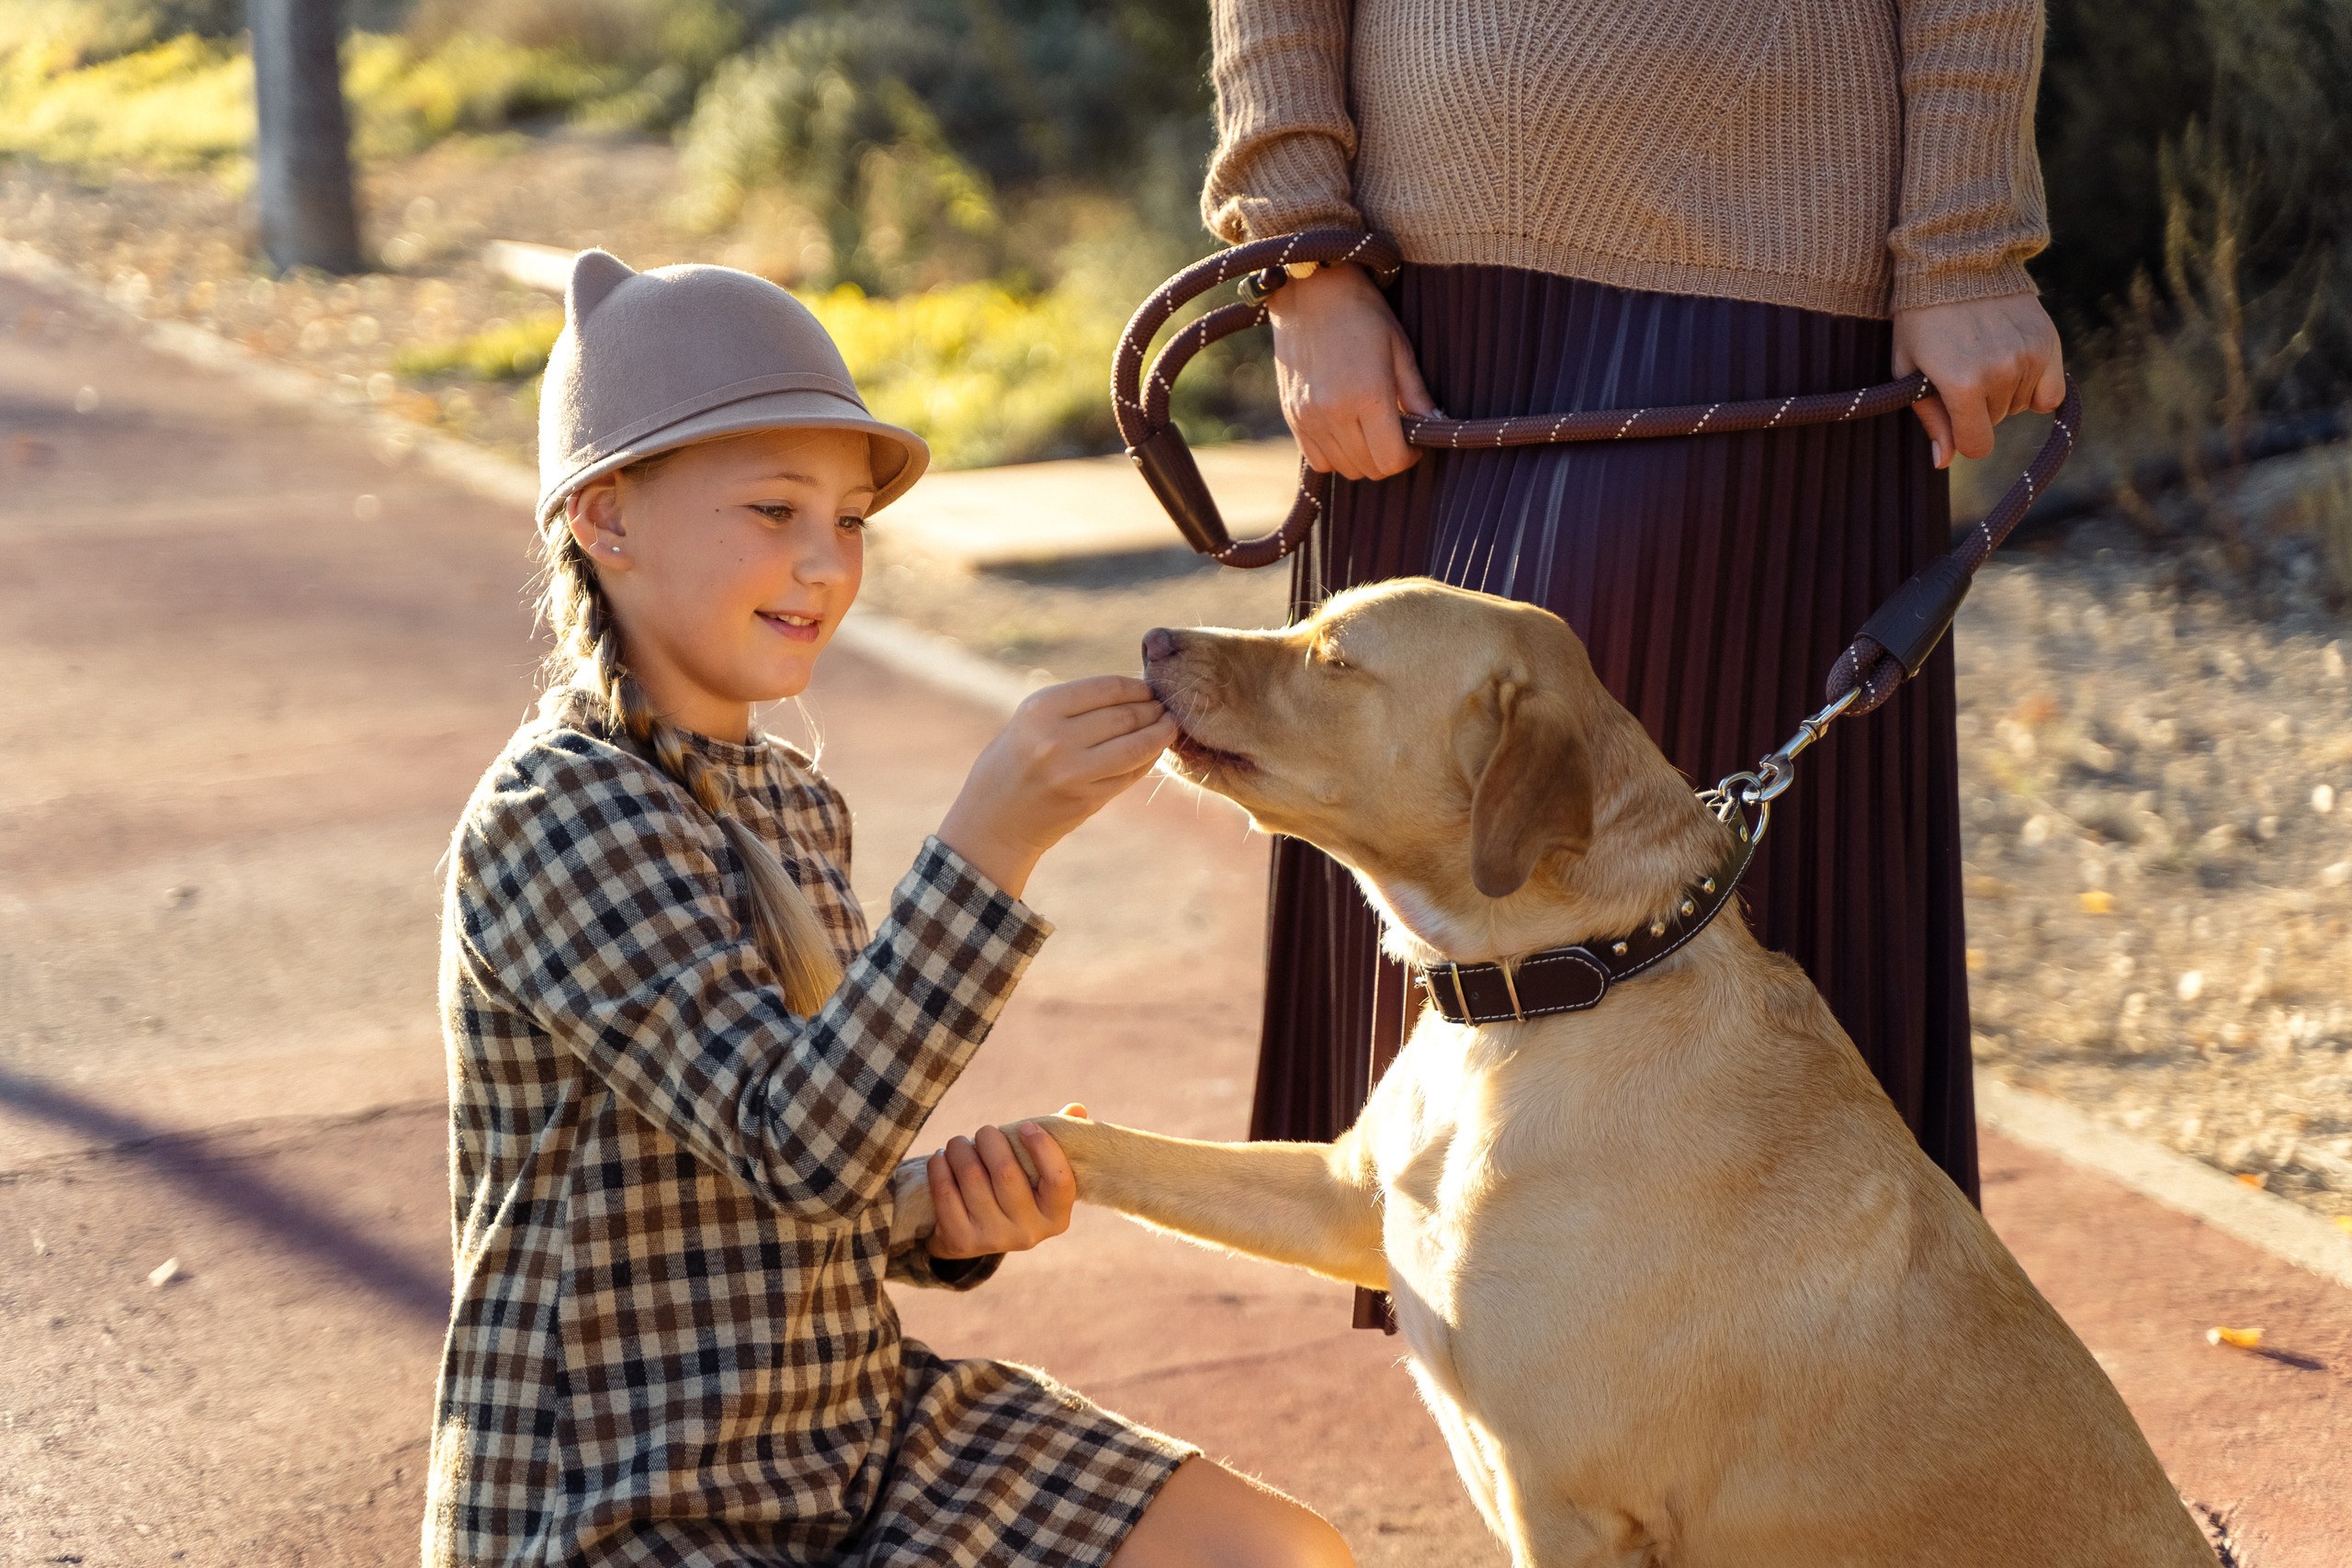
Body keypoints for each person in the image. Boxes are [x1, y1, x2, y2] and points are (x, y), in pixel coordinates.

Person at [426, 250, 1353, 1568]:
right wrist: (995, 837)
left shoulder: (790, 804)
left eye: (848, 522)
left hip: (853, 1437)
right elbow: (794, 1143)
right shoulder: (558, 813)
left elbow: (815, 1179)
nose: (824, 566)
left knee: (1276, 1555)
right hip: (629, 1494)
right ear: (604, 518)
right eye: (771, 511)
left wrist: (942, 1218)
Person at [1204, 0, 2067, 1297]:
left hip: (1776, 269)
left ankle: (1883, 1459)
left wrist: (1965, 250)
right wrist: (1302, 259)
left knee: (1729, 905)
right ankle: (1559, 1458)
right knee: (1419, 831)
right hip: (1413, 296)